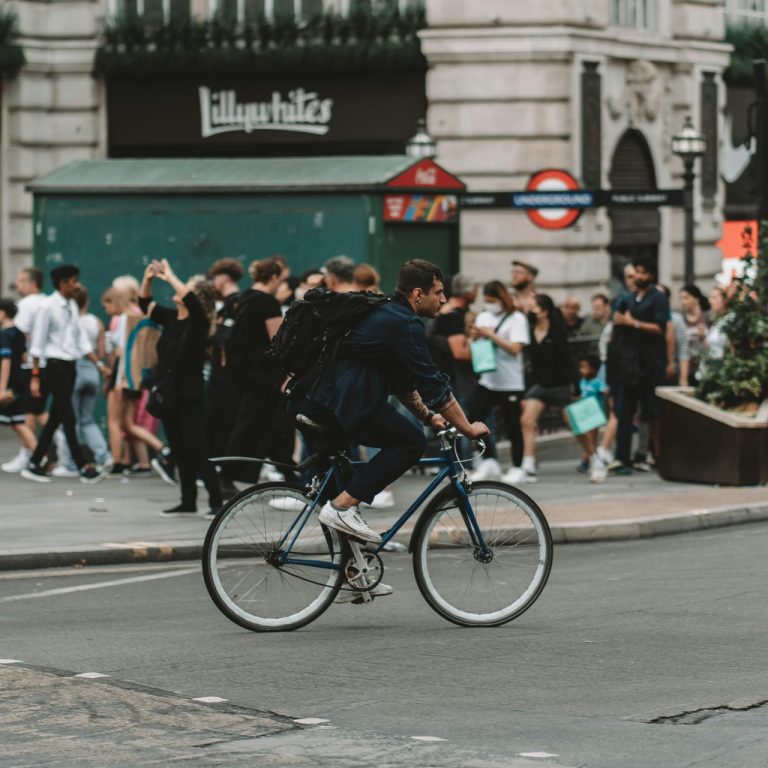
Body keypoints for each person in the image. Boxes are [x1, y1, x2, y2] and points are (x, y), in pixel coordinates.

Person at [289, 259, 489, 601]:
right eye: (438, 293)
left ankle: (355, 571)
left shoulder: (387, 315)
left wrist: (429, 418)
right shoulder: (404, 323)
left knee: (345, 482)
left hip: (315, 402)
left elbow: (402, 382)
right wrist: (468, 427)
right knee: (409, 442)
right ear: (417, 293)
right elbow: (434, 385)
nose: (443, 299)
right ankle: (342, 509)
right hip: (335, 406)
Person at [139, 260, 221, 515]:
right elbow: (145, 305)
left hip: (190, 396)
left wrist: (171, 275)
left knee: (196, 448)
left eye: (187, 287)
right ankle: (188, 501)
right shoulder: (172, 318)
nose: (179, 288)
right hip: (170, 395)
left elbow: (194, 304)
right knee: (178, 447)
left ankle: (216, 502)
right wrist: (148, 278)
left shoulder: (198, 322)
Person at [21, 265, 108, 483]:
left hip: (70, 366)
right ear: (62, 283)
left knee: (57, 417)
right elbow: (37, 343)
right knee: (68, 416)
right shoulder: (47, 306)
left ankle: (34, 463)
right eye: (72, 281)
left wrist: (99, 365)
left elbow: (81, 341)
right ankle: (83, 466)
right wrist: (34, 376)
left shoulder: (70, 305)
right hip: (54, 365)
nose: (76, 285)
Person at [222, 257, 284, 484]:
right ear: (274, 277)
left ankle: (243, 473)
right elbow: (278, 340)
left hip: (244, 373)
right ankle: (229, 475)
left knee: (251, 423)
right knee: (252, 425)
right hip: (264, 375)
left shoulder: (245, 298)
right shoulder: (268, 302)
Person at [607, 258, 669, 475]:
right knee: (624, 412)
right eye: (635, 273)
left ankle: (660, 455)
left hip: (651, 364)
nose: (638, 277)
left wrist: (633, 323)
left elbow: (661, 327)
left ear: (650, 275)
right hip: (630, 366)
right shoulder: (628, 298)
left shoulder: (658, 297)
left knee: (653, 413)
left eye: (642, 273)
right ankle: (621, 458)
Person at [468, 281, 529, 483]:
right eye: (486, 301)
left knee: (513, 425)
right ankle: (488, 460)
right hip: (488, 379)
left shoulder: (517, 318)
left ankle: (517, 465)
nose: (489, 304)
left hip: (510, 381)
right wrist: (476, 336)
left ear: (502, 299)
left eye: (492, 301)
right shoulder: (484, 316)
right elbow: (475, 344)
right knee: (475, 416)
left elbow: (515, 349)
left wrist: (491, 335)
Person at [53, 286, 111, 476]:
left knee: (71, 421)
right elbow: (101, 352)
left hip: (74, 371)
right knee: (87, 420)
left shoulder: (70, 321)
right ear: (86, 302)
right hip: (92, 373)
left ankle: (70, 463)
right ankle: (104, 456)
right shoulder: (96, 322)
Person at [519, 295, 579, 481]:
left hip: (560, 385)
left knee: (574, 424)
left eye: (534, 307)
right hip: (540, 386)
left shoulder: (557, 332)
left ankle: (594, 457)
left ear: (544, 311)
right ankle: (528, 464)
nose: (531, 311)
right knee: (527, 420)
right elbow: (530, 364)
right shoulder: (529, 331)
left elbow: (569, 361)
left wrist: (575, 387)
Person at [2, 267, 47, 473]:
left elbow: (14, 349)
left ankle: (34, 455)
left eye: (21, 281)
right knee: (36, 412)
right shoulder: (48, 302)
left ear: (32, 283)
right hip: (48, 363)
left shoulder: (25, 307)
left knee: (25, 414)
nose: (18, 285)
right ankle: (33, 454)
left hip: (29, 368)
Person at [206, 258, 243, 490]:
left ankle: (226, 474)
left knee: (227, 424)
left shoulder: (237, 304)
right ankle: (222, 474)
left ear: (223, 277)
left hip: (228, 377)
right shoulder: (228, 305)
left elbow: (225, 340)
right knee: (218, 424)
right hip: (221, 376)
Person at [0, 299, 37, 458]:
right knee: (17, 423)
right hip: (19, 384)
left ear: (3, 313)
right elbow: (23, 358)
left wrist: (2, 389)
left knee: (17, 423)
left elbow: (6, 362)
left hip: (9, 388)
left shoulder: (5, 335)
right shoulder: (19, 333)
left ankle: (40, 457)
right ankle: (41, 457)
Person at [568, 354, 607, 483]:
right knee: (586, 437)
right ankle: (592, 459)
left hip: (594, 413)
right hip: (583, 413)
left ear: (594, 370)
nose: (581, 370)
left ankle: (587, 461)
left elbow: (605, 390)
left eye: (585, 367)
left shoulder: (597, 382)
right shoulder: (581, 382)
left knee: (592, 438)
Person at [679, 284, 709, 381]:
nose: (683, 302)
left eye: (686, 298)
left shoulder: (708, 317)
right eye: (681, 299)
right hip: (687, 369)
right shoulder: (681, 320)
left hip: (704, 368)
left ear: (696, 299)